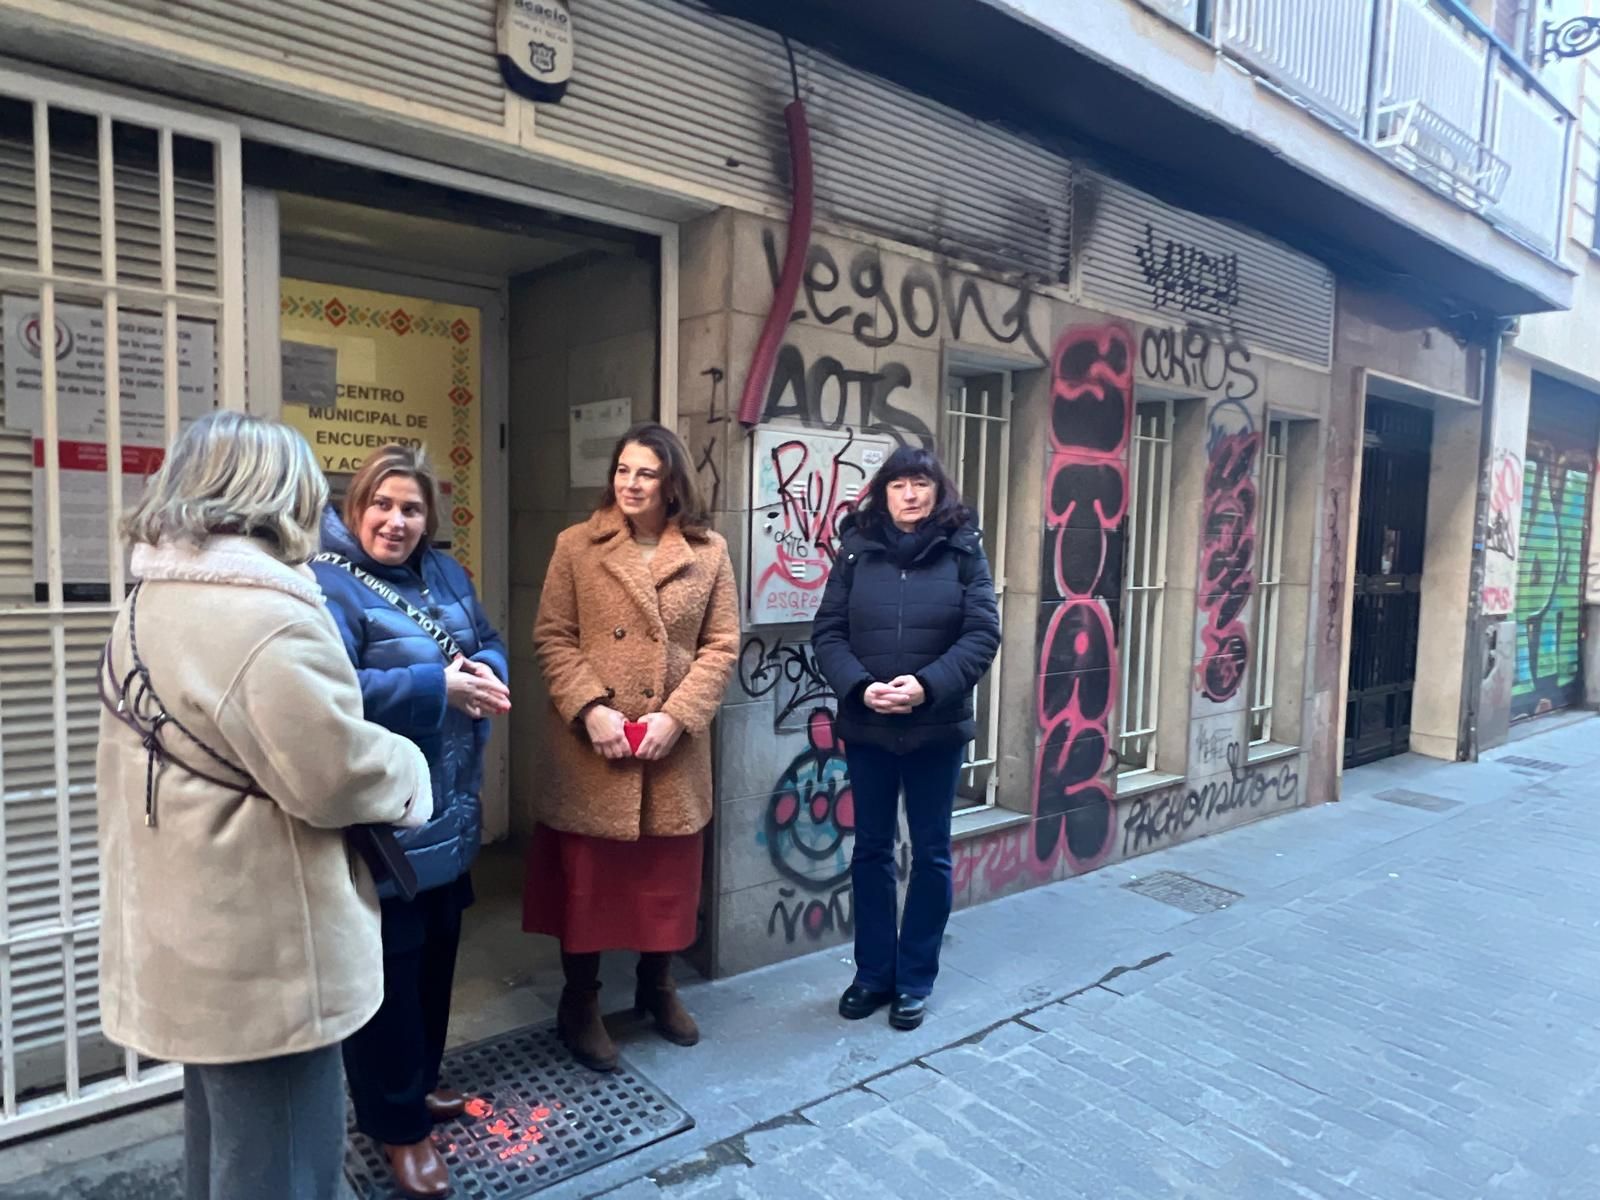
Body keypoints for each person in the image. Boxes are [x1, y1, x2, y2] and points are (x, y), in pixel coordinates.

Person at [96, 410, 434, 1200]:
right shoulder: (265, 613)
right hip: (265, 950)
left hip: (190, 929)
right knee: (284, 1166)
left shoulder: (151, 597)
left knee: (226, 1153)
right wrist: (409, 768)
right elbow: (334, 774)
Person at [313, 445, 511, 1200]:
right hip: (383, 817)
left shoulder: (447, 573)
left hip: (450, 802)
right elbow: (330, 690)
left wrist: (487, 671)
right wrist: (439, 687)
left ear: (429, 518)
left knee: (435, 959)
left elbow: (484, 638)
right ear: (357, 506)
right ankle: (396, 1126)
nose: (396, 521)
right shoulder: (326, 582)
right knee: (388, 980)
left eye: (412, 509)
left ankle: (421, 1083)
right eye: (383, 505)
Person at [526, 422, 739, 1072]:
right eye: (623, 469)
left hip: (670, 749)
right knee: (587, 885)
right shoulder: (576, 545)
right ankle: (580, 1003)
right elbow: (553, 636)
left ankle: (657, 986)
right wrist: (590, 709)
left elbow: (722, 645)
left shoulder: (708, 552)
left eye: (646, 472)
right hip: (594, 747)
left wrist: (679, 716)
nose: (631, 483)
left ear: (672, 483)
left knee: (663, 882)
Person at [811, 444, 1000, 1031]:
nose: (910, 495)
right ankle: (873, 974)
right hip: (868, 726)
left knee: (931, 853)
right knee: (870, 851)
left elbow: (981, 633)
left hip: (935, 728)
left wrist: (925, 686)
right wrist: (859, 687)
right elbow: (828, 632)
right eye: (899, 485)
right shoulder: (856, 550)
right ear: (884, 493)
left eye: (921, 483)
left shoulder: (963, 550)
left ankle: (915, 979)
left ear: (938, 491)